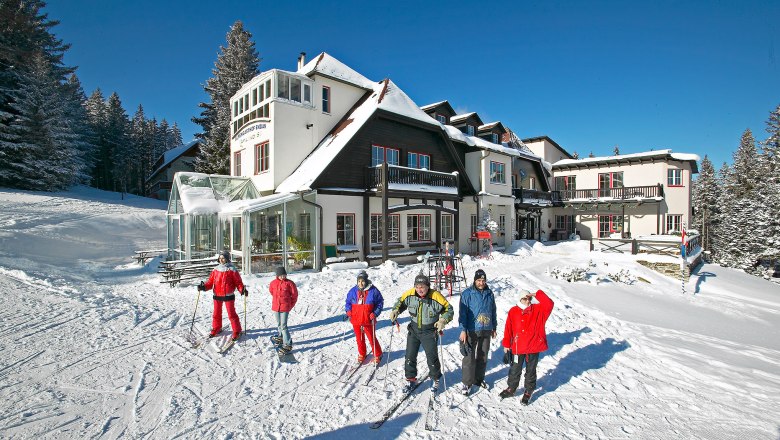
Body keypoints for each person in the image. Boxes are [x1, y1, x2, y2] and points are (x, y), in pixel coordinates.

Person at [388, 273, 454, 392]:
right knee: (410, 356)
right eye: (417, 286)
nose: (420, 289)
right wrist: (395, 311)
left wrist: (443, 320)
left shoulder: (435, 296)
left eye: (422, 286)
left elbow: (449, 309)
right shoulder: (410, 294)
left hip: (429, 332)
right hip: (414, 330)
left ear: (427, 286)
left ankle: (436, 379)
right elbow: (400, 302)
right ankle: (411, 379)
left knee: (431, 358)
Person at [499, 288, 554, 404]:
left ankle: (528, 390)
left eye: (529, 298)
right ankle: (511, 388)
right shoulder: (513, 311)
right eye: (525, 298)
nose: (528, 301)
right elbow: (508, 329)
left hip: (533, 346)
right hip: (518, 346)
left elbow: (549, 304)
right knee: (515, 369)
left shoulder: (538, 309)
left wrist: (537, 294)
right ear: (520, 299)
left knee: (531, 370)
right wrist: (506, 344)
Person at [457, 269, 497, 395]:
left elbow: (493, 311)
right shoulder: (467, 294)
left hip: (486, 329)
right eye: (479, 280)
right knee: (469, 357)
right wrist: (463, 330)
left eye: (483, 280)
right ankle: (467, 383)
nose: (481, 283)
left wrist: (494, 327)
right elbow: (462, 313)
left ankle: (479, 379)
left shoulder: (489, 293)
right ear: (474, 280)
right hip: (471, 330)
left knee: (483, 355)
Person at [198, 251, 247, 341]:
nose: (221, 260)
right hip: (217, 294)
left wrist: (242, 289)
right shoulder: (216, 269)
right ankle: (216, 327)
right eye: (220, 258)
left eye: (223, 258)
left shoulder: (232, 269)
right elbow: (210, 282)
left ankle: (237, 330)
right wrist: (204, 287)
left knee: (231, 314)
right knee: (216, 313)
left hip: (228, 295)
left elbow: (238, 282)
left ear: (227, 259)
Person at [345, 270, 384, 364]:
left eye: (362, 281)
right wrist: (348, 311)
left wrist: (375, 313)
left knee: (371, 338)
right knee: (359, 338)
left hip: (368, 320)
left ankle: (378, 354)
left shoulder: (373, 291)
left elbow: (380, 303)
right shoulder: (353, 291)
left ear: (366, 281)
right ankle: (362, 353)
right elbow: (348, 302)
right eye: (359, 281)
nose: (360, 283)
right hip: (356, 319)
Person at [269, 266, 298, 355]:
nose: (282, 277)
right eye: (281, 275)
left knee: (284, 326)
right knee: (279, 324)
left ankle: (288, 344)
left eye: (284, 275)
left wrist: (289, 305)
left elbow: (294, 296)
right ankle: (281, 337)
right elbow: (271, 292)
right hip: (276, 307)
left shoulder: (290, 283)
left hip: (285, 308)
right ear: (277, 276)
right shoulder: (273, 283)